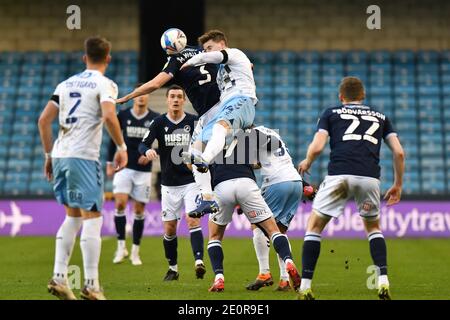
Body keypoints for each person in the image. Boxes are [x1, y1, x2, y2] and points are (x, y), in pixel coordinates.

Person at [297, 77, 405, 300]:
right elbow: (399, 152)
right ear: (363, 96)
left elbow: (318, 146)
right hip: (370, 180)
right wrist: (398, 184)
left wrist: (307, 162)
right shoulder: (381, 117)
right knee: (373, 228)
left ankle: (305, 286)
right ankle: (383, 280)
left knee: (314, 227)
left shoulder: (331, 113)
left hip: (340, 178)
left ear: (341, 97)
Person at [38, 37, 127, 300]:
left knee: (73, 217)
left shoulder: (64, 85)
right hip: (83, 157)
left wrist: (48, 154)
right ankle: (91, 285)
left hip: (61, 155)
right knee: (93, 217)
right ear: (108, 58)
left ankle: (59, 278)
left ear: (83, 57)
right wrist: (121, 147)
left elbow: (44, 120)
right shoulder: (106, 83)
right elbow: (110, 115)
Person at [116, 29, 222, 217]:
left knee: (197, 155)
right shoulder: (201, 51)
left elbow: (155, 85)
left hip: (209, 112)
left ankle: (212, 196)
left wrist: (129, 96)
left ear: (168, 48)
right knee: (202, 154)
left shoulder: (175, 59)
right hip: (225, 103)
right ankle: (212, 195)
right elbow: (224, 54)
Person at [200, 129, 301, 292]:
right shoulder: (246, 138)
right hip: (250, 183)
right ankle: (287, 263)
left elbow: (200, 168)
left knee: (214, 236)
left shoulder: (211, 144)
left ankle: (220, 278)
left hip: (222, 186)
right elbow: (261, 157)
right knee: (275, 230)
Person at [180, 29, 258, 217]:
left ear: (221, 44)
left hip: (241, 100)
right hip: (227, 106)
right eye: (204, 49)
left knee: (218, 128)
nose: (206, 52)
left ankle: (205, 161)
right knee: (194, 150)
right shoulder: (222, 70)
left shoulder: (234, 53)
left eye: (209, 48)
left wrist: (190, 61)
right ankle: (208, 199)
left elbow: (216, 57)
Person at [138, 85, 206, 280]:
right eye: (172, 97)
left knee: (193, 219)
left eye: (179, 97)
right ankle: (173, 268)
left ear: (184, 100)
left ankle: (199, 262)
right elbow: (143, 144)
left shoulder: (194, 122)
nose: (176, 100)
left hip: (191, 181)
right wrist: (147, 151)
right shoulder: (158, 123)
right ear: (167, 100)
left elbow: (206, 144)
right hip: (168, 184)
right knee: (169, 229)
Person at [244, 126, 303, 292]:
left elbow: (252, 163)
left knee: (258, 224)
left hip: (276, 182)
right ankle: (284, 279)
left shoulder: (249, 135)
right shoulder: (272, 131)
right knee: (280, 232)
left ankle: (264, 273)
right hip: (295, 182)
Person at [106, 83, 160, 265]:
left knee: (139, 210)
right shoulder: (124, 115)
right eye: (139, 94)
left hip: (143, 171)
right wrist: (108, 162)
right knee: (120, 204)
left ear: (148, 97)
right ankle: (121, 248)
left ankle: (136, 251)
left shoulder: (154, 118)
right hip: (124, 167)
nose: (141, 97)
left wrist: (151, 154)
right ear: (134, 96)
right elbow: (113, 139)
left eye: (145, 94)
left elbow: (164, 142)